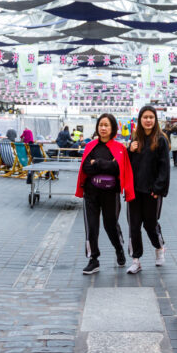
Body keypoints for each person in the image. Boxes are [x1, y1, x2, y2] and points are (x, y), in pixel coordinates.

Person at [75, 113, 135, 275]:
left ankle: (119, 249)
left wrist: (98, 163)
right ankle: (93, 259)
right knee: (92, 227)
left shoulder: (120, 148)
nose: (103, 128)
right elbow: (86, 168)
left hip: (111, 194)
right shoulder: (90, 146)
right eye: (101, 125)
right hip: (91, 193)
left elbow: (118, 169)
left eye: (106, 125)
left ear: (113, 128)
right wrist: (108, 165)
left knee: (110, 225)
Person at [126, 105, 171, 274]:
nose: (148, 120)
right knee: (134, 225)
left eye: (151, 117)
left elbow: (164, 167)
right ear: (140, 119)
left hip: (152, 191)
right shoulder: (135, 139)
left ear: (155, 120)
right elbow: (127, 165)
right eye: (145, 117)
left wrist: (158, 188)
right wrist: (129, 151)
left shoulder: (160, 140)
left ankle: (159, 247)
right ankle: (136, 259)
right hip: (134, 191)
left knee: (150, 224)